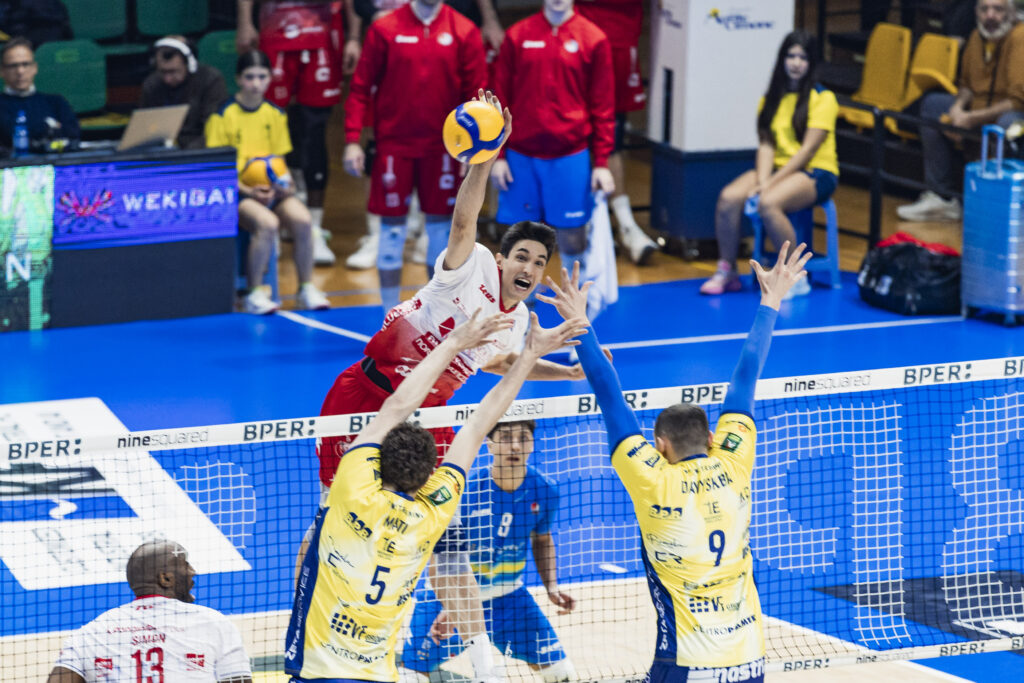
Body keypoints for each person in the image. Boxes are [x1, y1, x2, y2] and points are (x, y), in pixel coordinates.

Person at [314, 91, 589, 681]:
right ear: (503, 257)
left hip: (427, 420)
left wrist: (566, 373)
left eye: (538, 262)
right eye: (521, 256)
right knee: (330, 520)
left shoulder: (519, 319)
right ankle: (307, 618)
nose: (528, 268)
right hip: (364, 396)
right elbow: (464, 219)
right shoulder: (474, 265)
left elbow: (499, 364)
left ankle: (482, 660)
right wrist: (484, 159)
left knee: (443, 534)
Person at [539, 243, 813, 683]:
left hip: (686, 663)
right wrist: (771, 300)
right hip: (750, 661)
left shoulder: (651, 479)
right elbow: (746, 376)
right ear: (712, 439)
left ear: (659, 445)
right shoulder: (735, 463)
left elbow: (609, 392)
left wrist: (579, 322)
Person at [284, 310, 587, 682]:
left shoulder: (352, 488)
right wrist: (528, 357)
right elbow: (478, 425)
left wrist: (454, 342)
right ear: (430, 472)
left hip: (316, 671)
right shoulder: (432, 513)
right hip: (377, 675)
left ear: (377, 461)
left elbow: (396, 406)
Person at [401, 419, 576, 682]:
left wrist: (551, 586)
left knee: (562, 674)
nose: (515, 446)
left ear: (532, 444)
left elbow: (542, 539)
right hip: (451, 595)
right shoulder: (465, 492)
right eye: (505, 438)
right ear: (490, 444)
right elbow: (443, 554)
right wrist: (452, 605)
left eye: (523, 438)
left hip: (509, 598)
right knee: (411, 676)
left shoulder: (546, 490)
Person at [342, 0, 487, 312]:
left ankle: (436, 314)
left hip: (443, 149)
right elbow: (360, 87)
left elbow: (477, 95)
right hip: (394, 146)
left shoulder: (464, 30)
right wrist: (353, 140)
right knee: (391, 230)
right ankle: (389, 315)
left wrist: (472, 149)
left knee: (440, 232)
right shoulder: (384, 29)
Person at [700, 31, 837, 299]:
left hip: (816, 171)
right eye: (791, 56)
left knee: (769, 203)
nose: (796, 63)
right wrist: (763, 181)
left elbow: (807, 151)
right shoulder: (771, 98)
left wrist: (769, 186)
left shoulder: (823, 98)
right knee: (729, 198)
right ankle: (727, 270)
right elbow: (766, 144)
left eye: (803, 58)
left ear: (812, 63)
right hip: (776, 170)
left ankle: (794, 278)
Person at [491, 0, 615, 289]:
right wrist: (499, 155)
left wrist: (602, 162)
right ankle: (518, 310)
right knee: (521, 240)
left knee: (572, 236)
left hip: (570, 155)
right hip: (520, 156)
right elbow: (499, 99)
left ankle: (576, 305)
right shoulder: (517, 36)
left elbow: (604, 105)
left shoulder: (593, 38)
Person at [236, 0, 362, 266]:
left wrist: (353, 37)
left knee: (315, 130)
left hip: (321, 35)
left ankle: (313, 226)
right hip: (276, 28)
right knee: (274, 125)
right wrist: (245, 22)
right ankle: (281, 212)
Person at [205, 50, 332, 314]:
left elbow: (279, 161)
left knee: (303, 220)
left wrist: (286, 185)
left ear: (270, 78)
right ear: (238, 79)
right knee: (268, 223)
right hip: (237, 192)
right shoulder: (222, 115)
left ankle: (305, 288)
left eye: (262, 77)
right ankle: (253, 293)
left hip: (270, 190)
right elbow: (219, 170)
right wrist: (249, 191)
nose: (256, 83)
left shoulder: (275, 114)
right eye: (249, 77)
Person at [47, 540, 253, 683]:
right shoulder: (213, 624)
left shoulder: (90, 633)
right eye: (185, 565)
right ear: (166, 579)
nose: (193, 572)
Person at [897, 0, 1024, 222]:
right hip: (979, 108)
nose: (990, 16)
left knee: (1007, 124)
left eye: (998, 9)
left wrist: (971, 119)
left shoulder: (1019, 37)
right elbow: (966, 86)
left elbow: (1017, 101)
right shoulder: (975, 37)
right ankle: (941, 197)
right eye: (984, 9)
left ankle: (998, 202)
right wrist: (957, 110)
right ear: (976, 12)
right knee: (932, 105)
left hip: (1012, 113)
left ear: (1011, 13)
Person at [575, 0, 659, 266]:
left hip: (621, 39)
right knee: (574, 134)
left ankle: (625, 227)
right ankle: (589, 225)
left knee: (612, 136)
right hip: (578, 34)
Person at [140, 36, 229, 149]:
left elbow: (214, 129)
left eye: (173, 71)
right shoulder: (152, 84)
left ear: (190, 64)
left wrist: (187, 152)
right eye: (163, 72)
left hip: (199, 148)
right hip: (161, 148)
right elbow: (145, 129)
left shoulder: (211, 80)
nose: (167, 79)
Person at [0, 37, 78, 153]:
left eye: (25, 64)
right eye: (13, 66)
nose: (20, 71)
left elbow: (72, 140)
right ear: (2, 70)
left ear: (34, 68)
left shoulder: (56, 103)